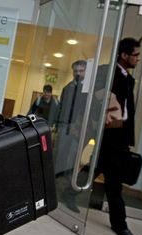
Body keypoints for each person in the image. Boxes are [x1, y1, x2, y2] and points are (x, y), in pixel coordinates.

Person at [96, 37, 141, 235]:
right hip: (109, 135)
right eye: (135, 55)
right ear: (124, 55)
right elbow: (97, 97)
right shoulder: (108, 72)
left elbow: (127, 111)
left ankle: (67, 190)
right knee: (114, 182)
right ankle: (120, 225)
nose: (138, 59)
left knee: (97, 167)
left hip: (119, 136)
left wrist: (128, 138)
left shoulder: (128, 78)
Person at [52, 60, 89, 214]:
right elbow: (61, 107)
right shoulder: (67, 88)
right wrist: (57, 125)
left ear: (86, 72)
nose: (78, 73)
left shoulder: (88, 90)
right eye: (76, 71)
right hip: (64, 127)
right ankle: (54, 189)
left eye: (81, 71)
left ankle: (68, 191)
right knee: (60, 155)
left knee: (74, 159)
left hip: (78, 130)